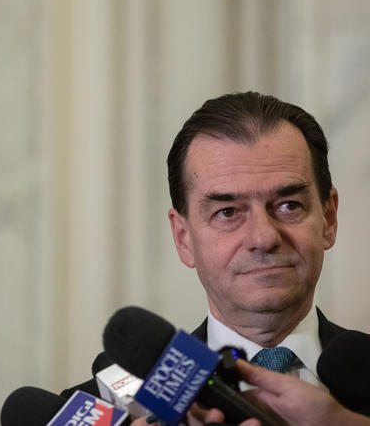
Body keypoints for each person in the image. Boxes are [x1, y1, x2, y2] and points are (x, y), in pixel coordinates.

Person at [63, 92, 369, 422]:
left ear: (328, 219)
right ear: (183, 238)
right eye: (227, 212)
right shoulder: (100, 411)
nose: (264, 238)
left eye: (288, 205)